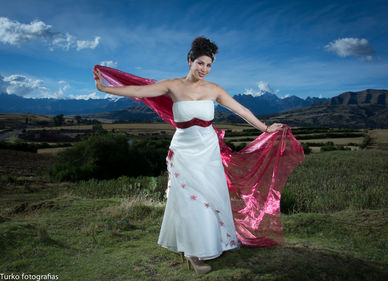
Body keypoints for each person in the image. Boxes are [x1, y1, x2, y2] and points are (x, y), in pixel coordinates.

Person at [94, 37, 285, 274]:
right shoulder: (172, 85)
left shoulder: (214, 89)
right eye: (200, 63)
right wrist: (105, 89)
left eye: (209, 65)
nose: (204, 69)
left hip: (208, 151)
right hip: (183, 150)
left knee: (211, 197)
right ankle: (194, 253)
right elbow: (139, 90)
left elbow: (242, 110)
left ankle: (210, 243)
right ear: (189, 60)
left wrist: (265, 128)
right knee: (190, 200)